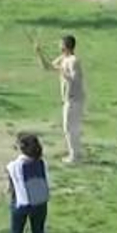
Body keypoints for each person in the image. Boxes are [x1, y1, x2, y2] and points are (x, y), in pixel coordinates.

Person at [1, 132, 55, 233]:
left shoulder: (14, 166)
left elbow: (11, 188)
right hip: (40, 204)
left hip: (21, 205)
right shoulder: (41, 163)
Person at [35, 35, 86, 164]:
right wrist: (39, 53)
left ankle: (74, 156)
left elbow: (75, 78)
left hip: (75, 99)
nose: (59, 46)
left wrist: (62, 70)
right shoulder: (63, 58)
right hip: (68, 99)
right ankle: (75, 153)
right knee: (70, 127)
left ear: (66, 45)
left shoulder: (74, 61)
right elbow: (47, 67)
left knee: (69, 128)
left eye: (61, 44)